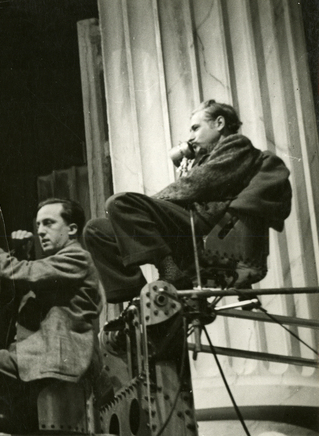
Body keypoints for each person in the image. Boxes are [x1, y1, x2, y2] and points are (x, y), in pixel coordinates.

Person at [84, 100, 292, 303]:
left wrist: (144, 206)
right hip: (189, 222)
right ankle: (135, 296)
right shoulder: (207, 156)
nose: (190, 137)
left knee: (120, 203)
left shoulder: (236, 145)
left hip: (205, 223)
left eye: (195, 128)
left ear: (219, 123)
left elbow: (200, 183)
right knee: (96, 230)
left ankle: (170, 271)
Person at [0, 198, 103, 432]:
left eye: (49, 223)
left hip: (51, 358)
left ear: (72, 229)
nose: (40, 231)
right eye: (38, 224)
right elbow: (6, 296)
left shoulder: (77, 258)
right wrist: (20, 252)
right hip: (38, 357)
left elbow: (17, 271)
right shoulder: (53, 264)